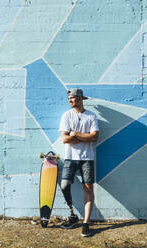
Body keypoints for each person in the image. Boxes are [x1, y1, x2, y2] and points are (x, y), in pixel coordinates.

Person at [59, 88, 99, 237]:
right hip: (70, 157)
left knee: (88, 189)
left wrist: (75, 134)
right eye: (69, 98)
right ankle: (72, 214)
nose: (69, 100)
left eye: (72, 98)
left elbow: (95, 137)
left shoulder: (91, 116)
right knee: (64, 185)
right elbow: (64, 139)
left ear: (80, 98)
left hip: (87, 158)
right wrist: (85, 136)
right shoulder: (67, 115)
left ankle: (86, 223)